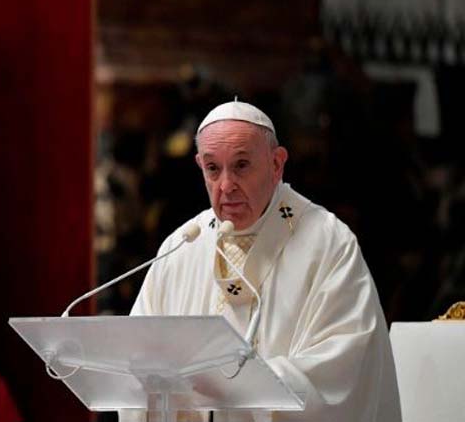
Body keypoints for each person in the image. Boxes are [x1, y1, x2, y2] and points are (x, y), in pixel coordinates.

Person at [120, 101, 402, 421]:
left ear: (276, 163)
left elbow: (344, 370)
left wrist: (233, 385)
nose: (226, 185)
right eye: (213, 168)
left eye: (241, 165)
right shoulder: (183, 246)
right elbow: (136, 359)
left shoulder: (328, 243)